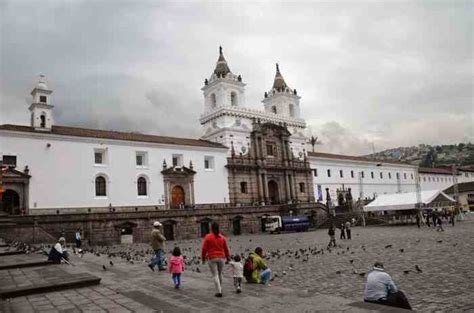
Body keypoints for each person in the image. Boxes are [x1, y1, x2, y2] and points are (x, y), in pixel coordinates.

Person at [201, 222, 231, 297]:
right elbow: (226, 249)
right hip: (221, 258)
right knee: (220, 274)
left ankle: (219, 291)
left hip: (212, 257)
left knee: (215, 274)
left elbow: (204, 249)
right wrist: (228, 258)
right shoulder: (222, 237)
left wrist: (203, 258)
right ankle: (220, 288)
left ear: (211, 228)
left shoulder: (208, 237)